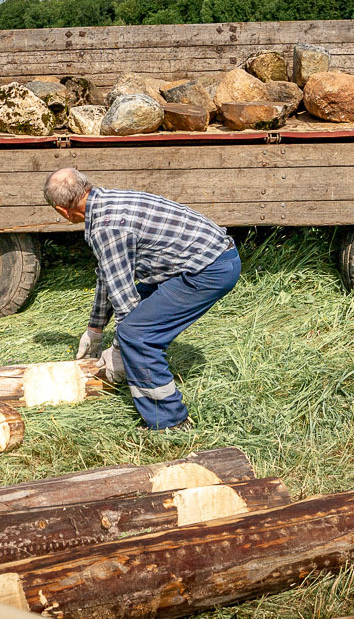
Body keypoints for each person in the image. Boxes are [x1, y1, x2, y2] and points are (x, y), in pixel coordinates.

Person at [44, 168, 240, 432]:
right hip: (209, 257)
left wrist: (119, 351)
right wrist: (95, 330)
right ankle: (147, 377)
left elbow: (126, 306)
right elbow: (108, 274)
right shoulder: (105, 201)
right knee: (135, 327)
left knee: (137, 334)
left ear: (62, 210)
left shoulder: (106, 228)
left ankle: (169, 422)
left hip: (209, 269)